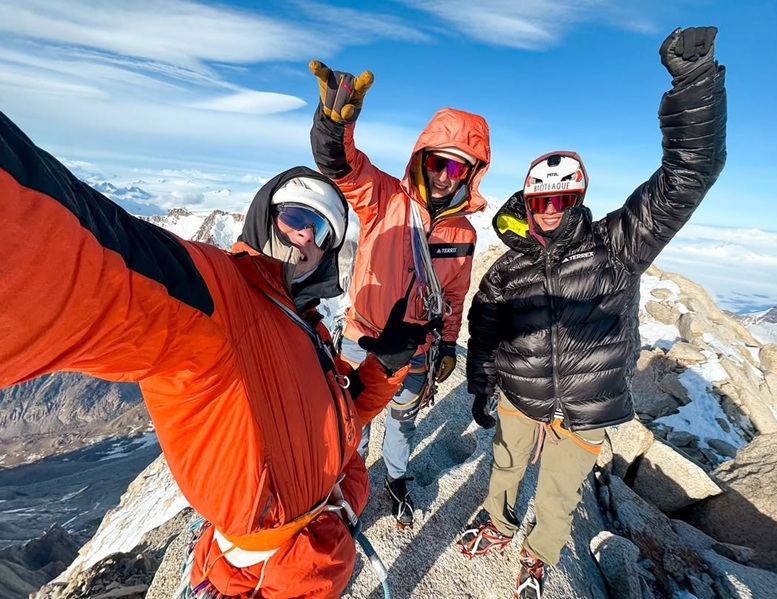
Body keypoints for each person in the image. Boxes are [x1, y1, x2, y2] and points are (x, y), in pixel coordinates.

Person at [0, 115, 441, 598]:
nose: (307, 239)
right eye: (296, 218)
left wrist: (387, 366)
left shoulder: (306, 325)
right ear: (263, 216)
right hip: (267, 566)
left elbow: (341, 414)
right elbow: (92, 266)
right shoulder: (216, 296)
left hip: (311, 549)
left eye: (323, 234)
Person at [458, 26, 726, 599]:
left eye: (561, 199)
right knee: (504, 470)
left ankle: (539, 554)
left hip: (587, 410)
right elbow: (484, 330)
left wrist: (695, 82)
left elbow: (689, 175)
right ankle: (497, 523)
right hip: (518, 398)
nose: (549, 211)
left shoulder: (618, 245)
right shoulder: (507, 269)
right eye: (540, 201)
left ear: (577, 200)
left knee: (558, 493)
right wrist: (481, 383)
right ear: (526, 204)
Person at [309, 59, 491, 528]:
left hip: (417, 350)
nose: (446, 174)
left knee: (403, 422)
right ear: (422, 158)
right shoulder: (385, 197)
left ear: (471, 173)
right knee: (353, 421)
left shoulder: (465, 234)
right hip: (361, 339)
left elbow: (454, 296)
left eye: (458, 166)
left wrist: (447, 345)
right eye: (438, 161)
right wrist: (335, 125)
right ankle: (346, 486)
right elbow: (341, 167)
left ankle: (394, 479)